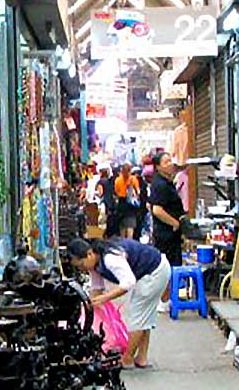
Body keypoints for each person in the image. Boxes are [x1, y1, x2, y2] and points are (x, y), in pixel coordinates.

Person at [68, 237, 171, 368]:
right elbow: (96, 288)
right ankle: (141, 358)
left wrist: (106, 298)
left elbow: (128, 282)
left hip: (155, 271)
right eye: (78, 267)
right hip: (152, 269)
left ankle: (127, 359)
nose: (82, 269)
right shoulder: (95, 261)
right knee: (144, 317)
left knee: (137, 317)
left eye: (81, 264)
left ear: (89, 254)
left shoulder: (110, 258)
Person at [149, 151, 186, 311]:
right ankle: (164, 301)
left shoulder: (165, 182)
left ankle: (167, 298)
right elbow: (156, 210)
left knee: (170, 265)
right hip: (166, 233)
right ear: (158, 167)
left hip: (168, 232)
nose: (170, 163)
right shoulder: (160, 185)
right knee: (167, 266)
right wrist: (175, 223)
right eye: (166, 162)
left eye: (170, 160)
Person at [114, 162, 141, 239]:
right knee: (130, 226)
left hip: (121, 204)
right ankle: (129, 243)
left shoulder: (118, 180)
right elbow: (138, 192)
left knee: (122, 226)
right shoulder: (133, 179)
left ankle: (123, 244)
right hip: (130, 204)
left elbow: (116, 193)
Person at [95, 162, 118, 238]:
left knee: (101, 224)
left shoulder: (101, 182)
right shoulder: (111, 181)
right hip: (111, 205)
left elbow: (100, 193)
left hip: (103, 205)